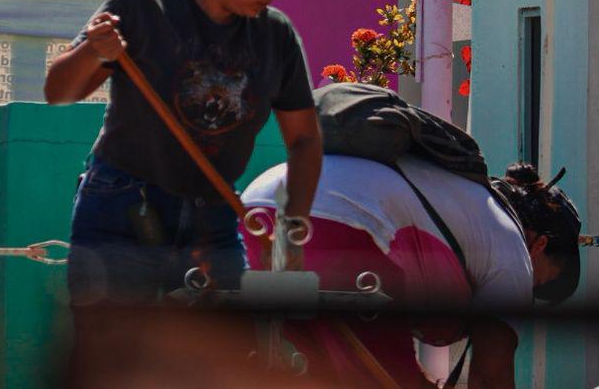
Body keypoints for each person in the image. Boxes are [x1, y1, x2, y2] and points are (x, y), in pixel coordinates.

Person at [45, 0, 323, 309]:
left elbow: (304, 139)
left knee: (220, 361)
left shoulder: (275, 36)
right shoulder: (141, 7)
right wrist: (94, 52)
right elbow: (58, 93)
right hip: (121, 208)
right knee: (111, 363)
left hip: (214, 216)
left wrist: (292, 225)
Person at [241, 155, 581, 388]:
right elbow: (490, 380)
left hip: (259, 207)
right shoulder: (513, 248)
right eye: (539, 280)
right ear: (538, 244)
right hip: (340, 223)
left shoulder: (467, 206)